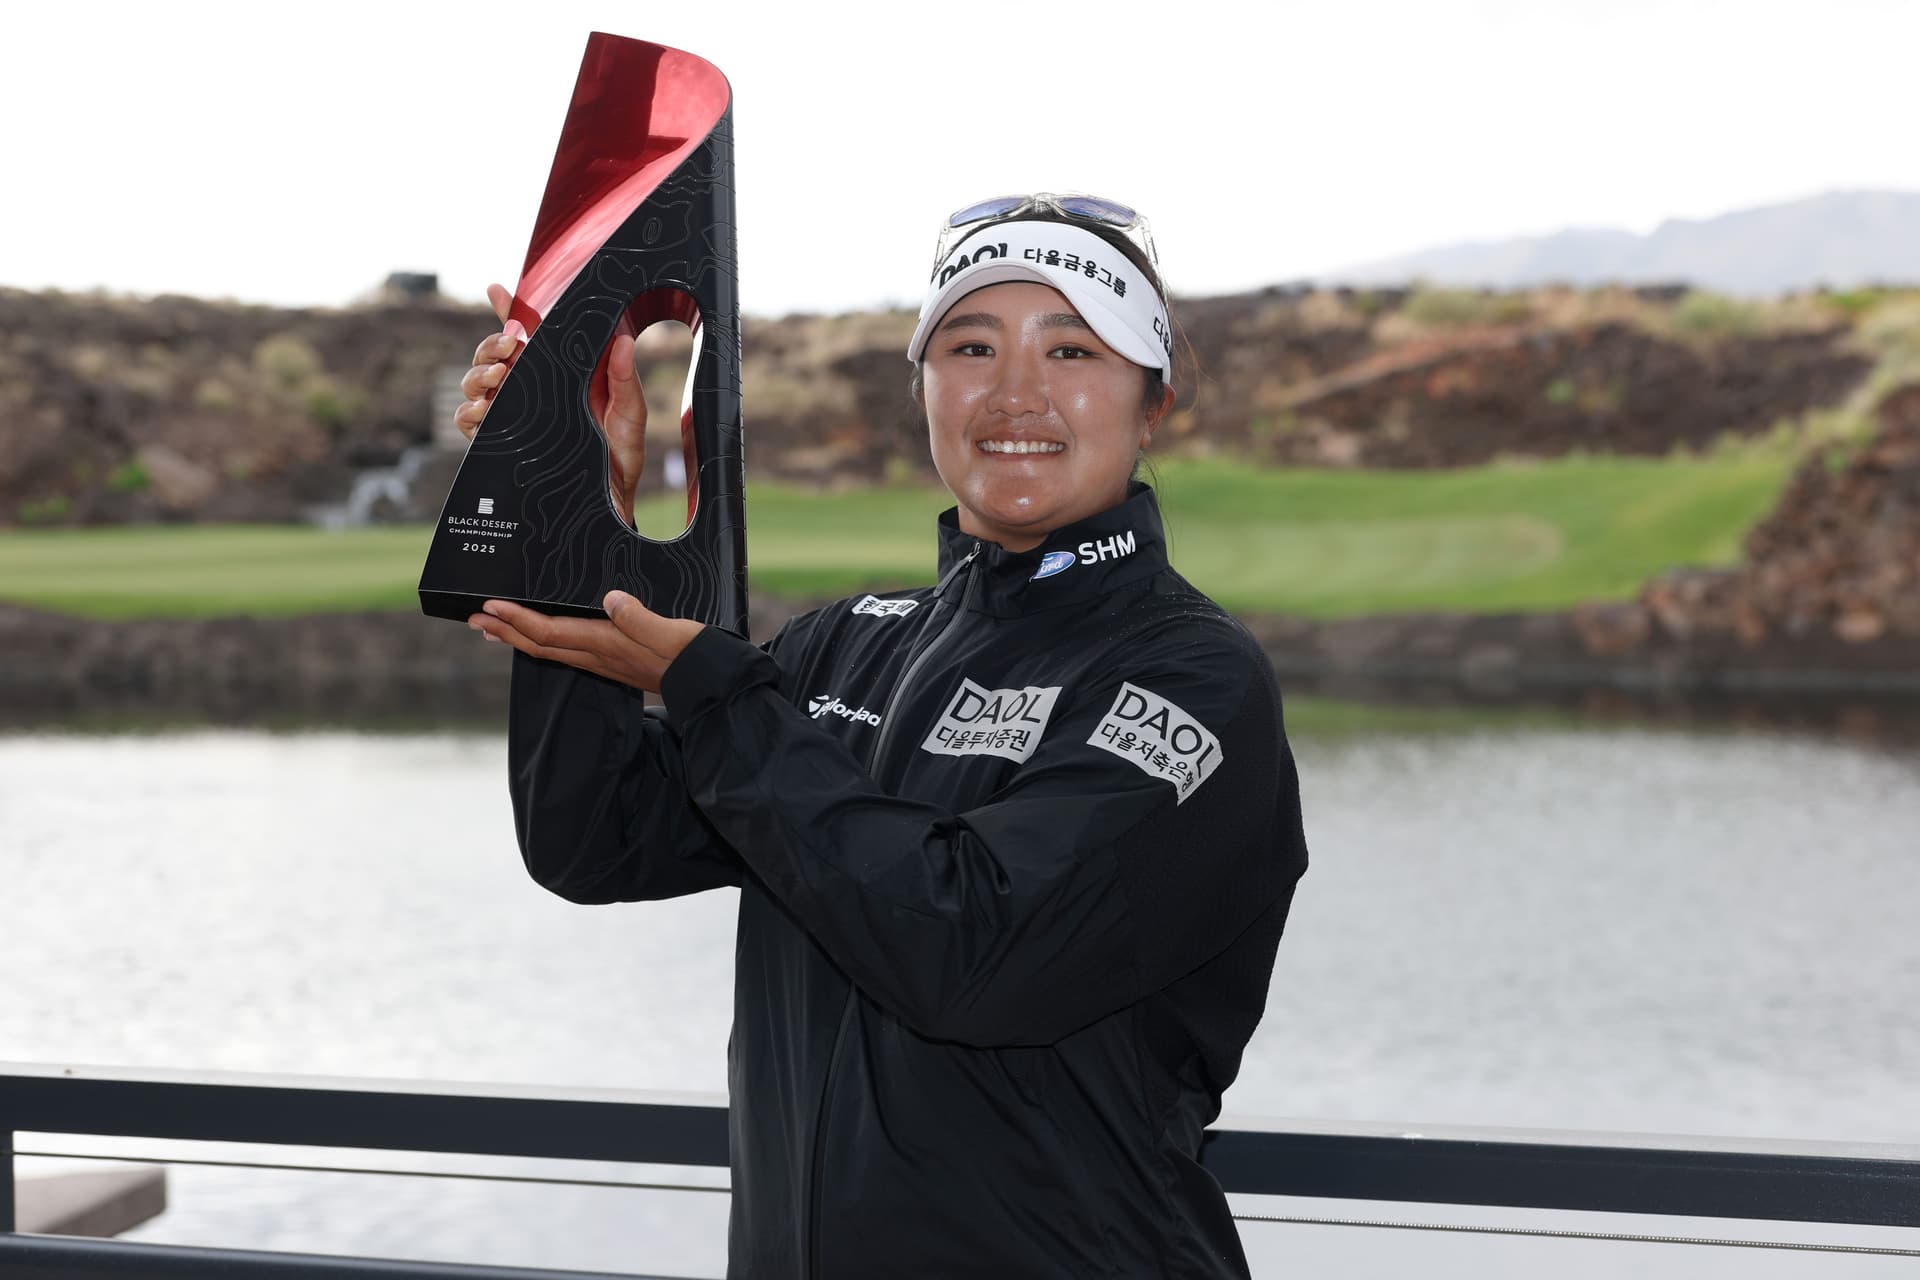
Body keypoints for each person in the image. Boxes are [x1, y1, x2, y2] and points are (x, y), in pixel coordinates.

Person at [461, 193, 1310, 1279]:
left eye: (1073, 347)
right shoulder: (839, 647)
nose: (1016, 390)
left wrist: (715, 690)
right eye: (969, 345)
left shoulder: (1193, 678)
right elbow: (595, 837)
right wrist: (582, 511)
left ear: (1153, 404)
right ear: (922, 388)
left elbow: (970, 948)